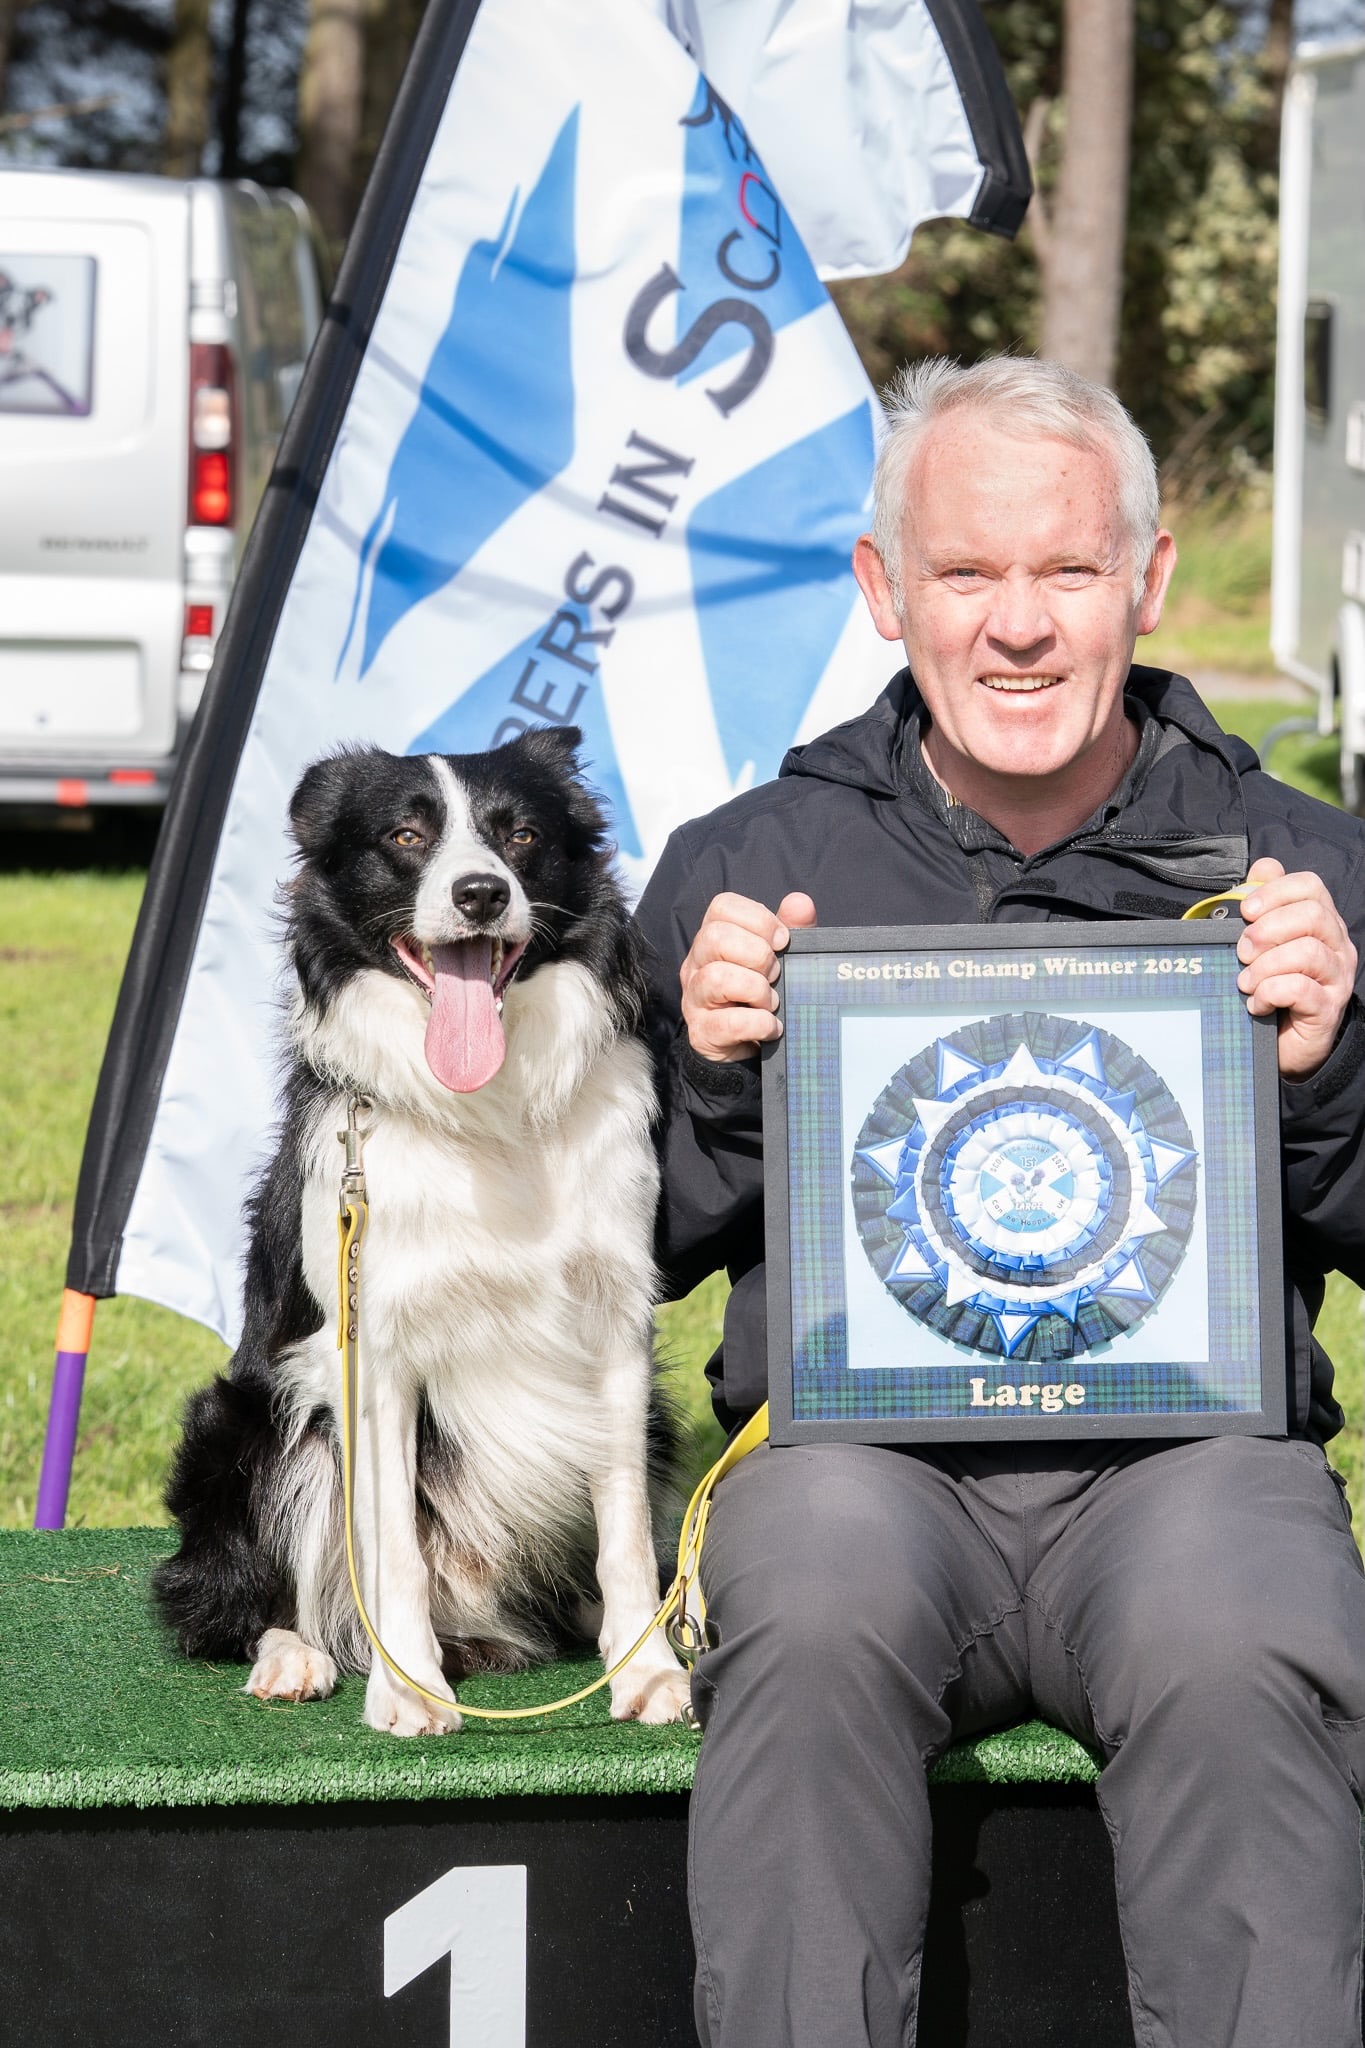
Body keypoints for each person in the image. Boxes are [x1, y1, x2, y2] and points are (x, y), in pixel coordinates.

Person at [633, 356, 1365, 2048]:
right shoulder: (738, 867)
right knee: (804, 1609)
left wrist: (1323, 1073)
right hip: (855, 1469)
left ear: (1148, 580)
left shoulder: (1304, 866)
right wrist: (720, 1079)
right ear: (886, 592)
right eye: (966, 573)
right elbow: (640, 1249)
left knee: (1245, 1626)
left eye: (1066, 571)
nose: (1017, 625)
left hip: (1191, 1467)